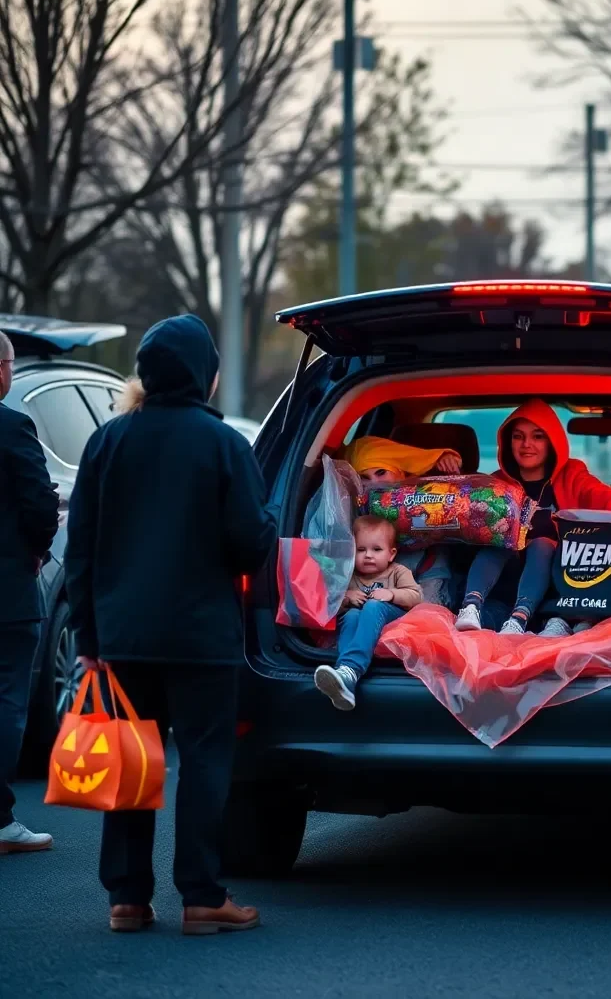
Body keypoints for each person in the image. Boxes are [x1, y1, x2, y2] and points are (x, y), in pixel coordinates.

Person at [65, 315, 277, 936]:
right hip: (201, 635)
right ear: (205, 377)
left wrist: (88, 640)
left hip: (123, 636)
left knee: (132, 761)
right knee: (206, 761)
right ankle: (203, 896)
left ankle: (127, 899)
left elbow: (81, 549)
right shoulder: (223, 446)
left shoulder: (107, 442)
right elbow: (249, 542)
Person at [455, 398, 611, 637]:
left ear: (552, 443)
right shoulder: (494, 485)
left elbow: (608, 499)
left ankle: (526, 618)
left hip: (562, 591)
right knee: (500, 540)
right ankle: (470, 607)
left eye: (538, 436)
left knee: (542, 543)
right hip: (503, 591)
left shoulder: (572, 476)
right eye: (518, 436)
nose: (527, 444)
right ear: (508, 442)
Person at [0, 331, 60, 855]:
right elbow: (41, 504)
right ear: (1, 371)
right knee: (6, 702)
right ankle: (0, 819)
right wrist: (36, 550)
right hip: (7, 591)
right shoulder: (13, 425)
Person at [314, 515, 422, 710]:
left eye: (377, 549)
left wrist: (391, 594)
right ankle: (345, 677)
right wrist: (346, 597)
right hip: (363, 629)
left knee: (372, 606)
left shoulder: (398, 571)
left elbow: (416, 597)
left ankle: (350, 669)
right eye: (361, 550)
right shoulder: (349, 576)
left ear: (391, 554)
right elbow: (328, 608)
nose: (368, 555)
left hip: (394, 623)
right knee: (352, 615)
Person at [345, 436, 461, 486]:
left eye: (381, 472)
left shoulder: (426, 486)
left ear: (398, 470)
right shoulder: (355, 503)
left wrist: (444, 460)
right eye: (364, 478)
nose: (375, 483)